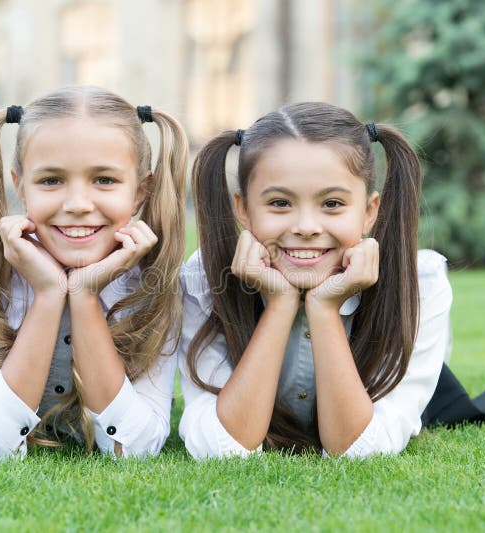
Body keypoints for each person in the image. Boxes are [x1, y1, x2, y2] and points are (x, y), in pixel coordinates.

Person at [0, 86, 188, 461]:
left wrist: (85, 295)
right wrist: (49, 294)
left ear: (141, 191)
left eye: (104, 180)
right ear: (21, 187)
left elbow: (135, 449)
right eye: (51, 180)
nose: (77, 205)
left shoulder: (158, 275)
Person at [179, 102, 452, 458]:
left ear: (369, 211)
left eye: (332, 204)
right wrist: (279, 304)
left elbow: (360, 452)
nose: (306, 227)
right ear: (243, 209)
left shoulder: (420, 282)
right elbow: (221, 448)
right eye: (279, 203)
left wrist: (324, 308)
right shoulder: (206, 277)